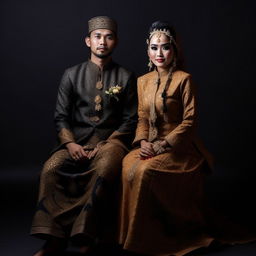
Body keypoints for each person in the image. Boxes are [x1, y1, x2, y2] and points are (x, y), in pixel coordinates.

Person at [118, 21, 255, 256]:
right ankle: (134, 237)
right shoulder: (143, 81)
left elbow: (189, 122)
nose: (159, 53)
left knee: (145, 171)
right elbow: (141, 117)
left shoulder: (184, 79)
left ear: (174, 50)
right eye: (154, 47)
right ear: (148, 51)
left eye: (165, 47)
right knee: (128, 164)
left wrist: (162, 144)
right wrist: (143, 143)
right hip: (149, 144)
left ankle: (156, 238)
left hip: (179, 148)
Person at [31, 16, 137, 256]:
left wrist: (109, 143)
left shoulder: (126, 76)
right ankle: (53, 238)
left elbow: (131, 118)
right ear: (88, 41)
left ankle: (87, 236)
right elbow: (60, 116)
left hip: (110, 143)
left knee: (105, 168)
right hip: (74, 143)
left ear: (116, 42)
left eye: (108, 37)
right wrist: (69, 144)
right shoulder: (71, 74)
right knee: (50, 169)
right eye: (97, 37)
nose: (103, 42)